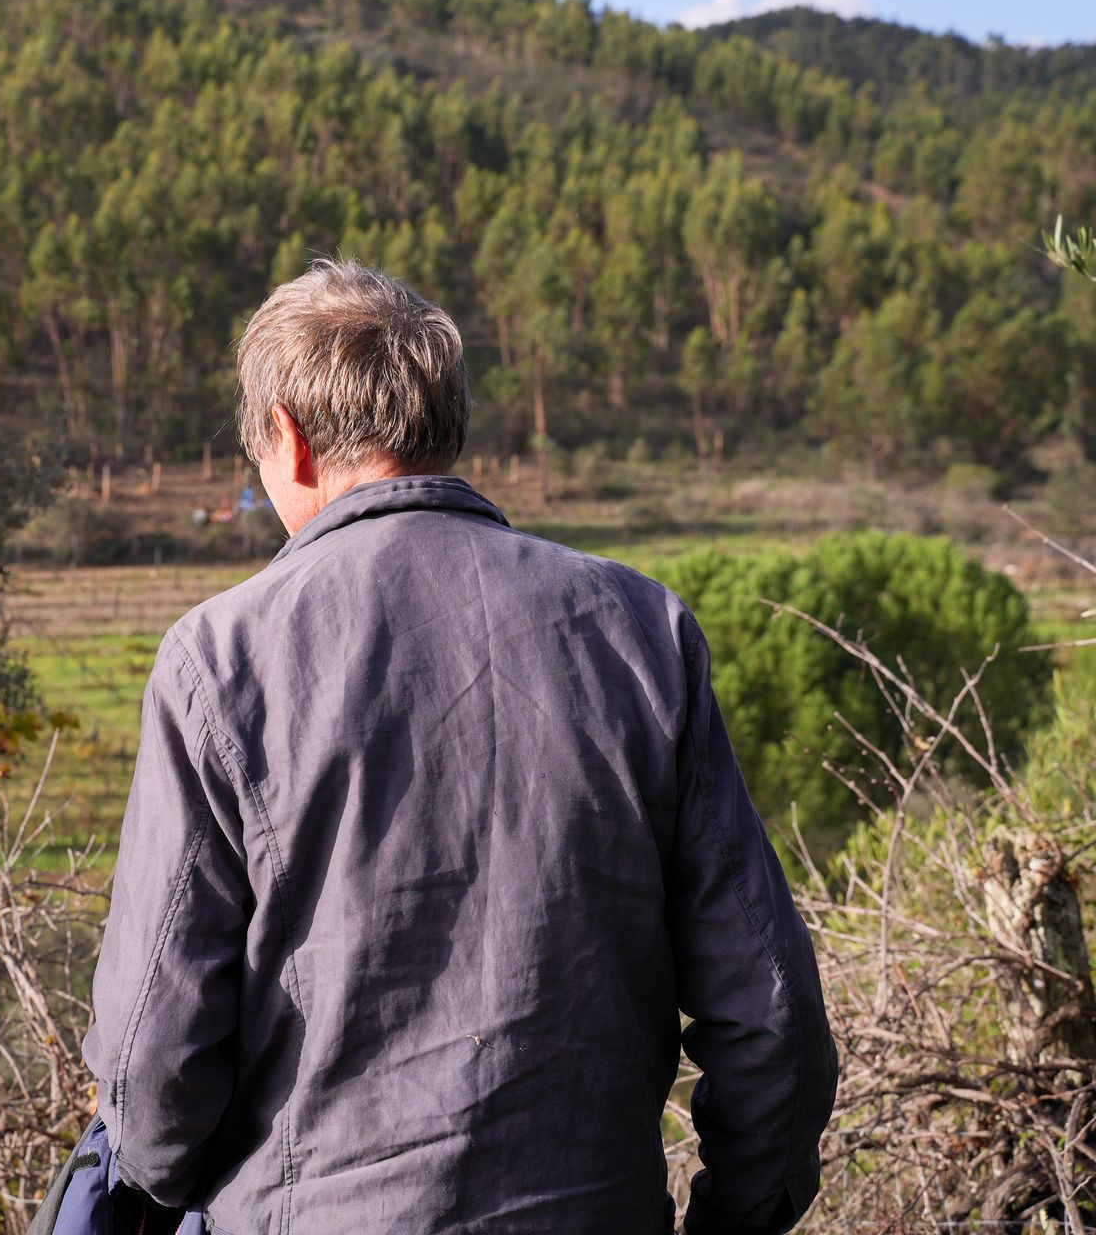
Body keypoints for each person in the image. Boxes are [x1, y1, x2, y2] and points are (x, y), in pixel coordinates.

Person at [84, 260, 837, 1234]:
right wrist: (735, 1213)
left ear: (289, 438)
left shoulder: (221, 660)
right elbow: (772, 1012)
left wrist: (174, 1178)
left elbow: (152, 1064)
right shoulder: (641, 629)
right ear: (445, 423)